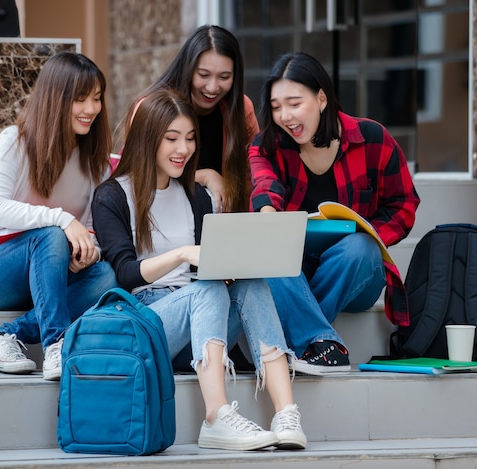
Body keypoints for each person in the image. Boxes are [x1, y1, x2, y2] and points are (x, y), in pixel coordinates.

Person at [92, 89, 306, 451]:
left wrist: (229, 266)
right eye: (172, 138)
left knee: (250, 283)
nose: (184, 149)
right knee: (206, 288)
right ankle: (216, 417)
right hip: (149, 322)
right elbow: (126, 274)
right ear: (147, 139)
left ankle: (287, 413)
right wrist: (181, 255)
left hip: (201, 326)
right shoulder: (112, 195)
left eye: (190, 138)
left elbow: (211, 265)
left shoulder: (195, 195)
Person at [249, 52, 420, 375]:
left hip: (354, 275)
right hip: (292, 272)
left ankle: (303, 333)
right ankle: (323, 345)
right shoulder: (266, 145)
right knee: (269, 252)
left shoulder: (372, 139)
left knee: (359, 248)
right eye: (275, 107)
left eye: (294, 103)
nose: (284, 116)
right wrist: (267, 213)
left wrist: (367, 232)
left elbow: (404, 203)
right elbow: (264, 184)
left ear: (322, 98)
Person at [0, 51, 117, 381]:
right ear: (56, 99)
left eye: (96, 99)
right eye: (80, 99)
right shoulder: (15, 141)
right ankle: (56, 342)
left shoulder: (94, 162)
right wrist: (60, 219)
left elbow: (89, 229)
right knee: (51, 234)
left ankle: (7, 337)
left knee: (107, 276)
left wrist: (86, 253)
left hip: (49, 277)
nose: (91, 110)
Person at [124, 24, 259, 213]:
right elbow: (139, 174)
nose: (212, 87)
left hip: (223, 220)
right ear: (187, 68)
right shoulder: (153, 108)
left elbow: (253, 172)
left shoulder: (241, 109)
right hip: (161, 218)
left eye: (224, 77)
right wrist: (204, 176)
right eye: (203, 75)